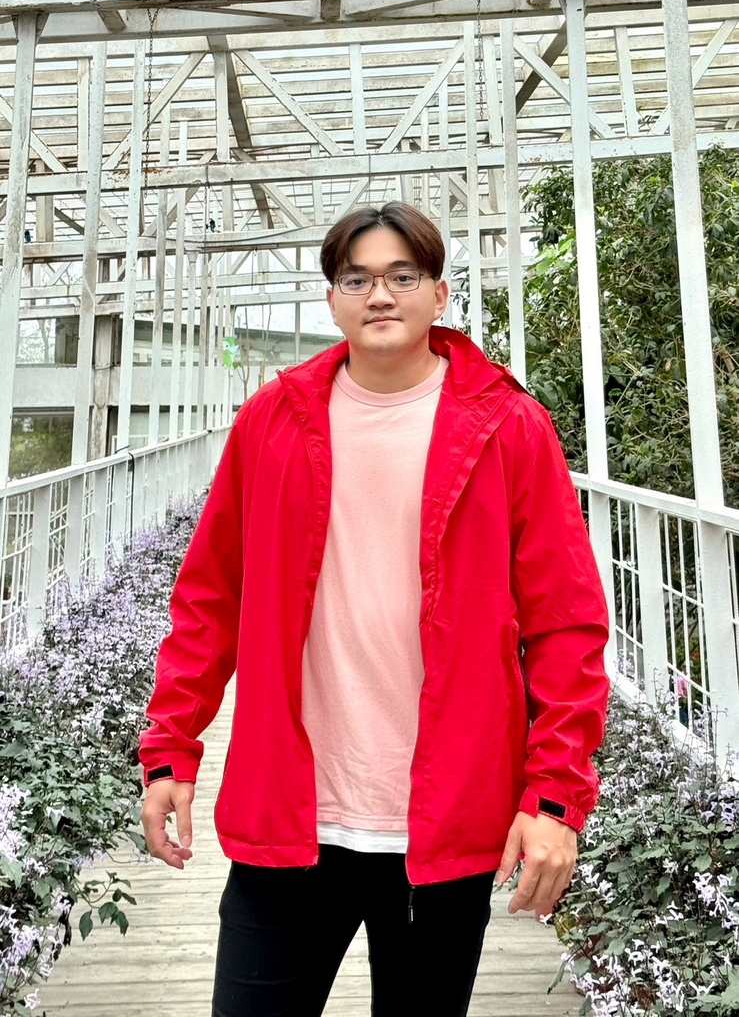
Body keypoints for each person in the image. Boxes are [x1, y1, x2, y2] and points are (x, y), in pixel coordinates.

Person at [138, 202, 610, 1017]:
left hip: (445, 824)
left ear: (440, 294)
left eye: (402, 276)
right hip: (292, 816)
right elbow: (209, 597)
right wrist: (170, 749)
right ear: (332, 300)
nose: (380, 295)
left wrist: (553, 800)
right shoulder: (273, 421)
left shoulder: (507, 426)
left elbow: (565, 626)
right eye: (356, 279)